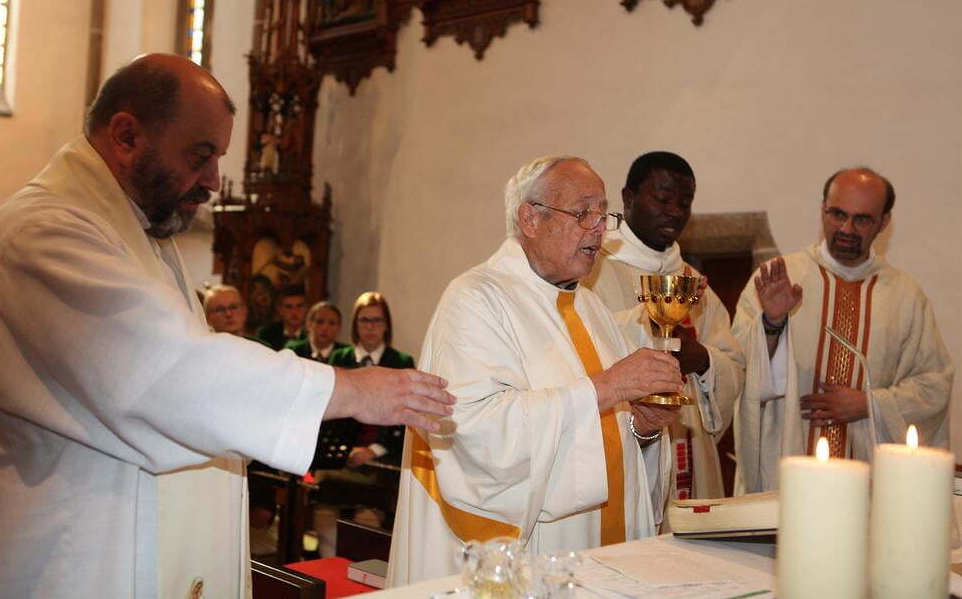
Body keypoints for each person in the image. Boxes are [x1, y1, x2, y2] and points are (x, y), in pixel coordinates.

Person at [0, 53, 454, 598]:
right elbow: (164, 374)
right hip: (69, 571)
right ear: (126, 135)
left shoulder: (137, 235)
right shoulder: (40, 234)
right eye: (200, 156)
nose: (215, 181)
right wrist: (352, 389)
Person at [388, 156, 684, 586]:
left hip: (607, 548)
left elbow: (612, 430)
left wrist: (645, 430)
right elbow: (471, 431)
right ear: (530, 218)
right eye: (583, 213)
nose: (599, 229)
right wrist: (607, 387)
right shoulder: (475, 299)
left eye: (604, 215)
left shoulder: (592, 307)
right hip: (531, 556)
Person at [732, 168, 954, 493]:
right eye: (838, 214)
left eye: (862, 219)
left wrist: (871, 404)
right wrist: (772, 323)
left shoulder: (905, 296)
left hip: (871, 480)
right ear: (823, 209)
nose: (847, 229)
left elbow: (934, 384)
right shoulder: (778, 278)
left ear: (884, 222)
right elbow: (738, 368)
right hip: (788, 473)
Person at [584, 152, 743, 505]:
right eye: (663, 199)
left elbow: (733, 365)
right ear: (628, 198)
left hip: (691, 451)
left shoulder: (691, 281)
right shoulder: (593, 273)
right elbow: (584, 353)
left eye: (684, 203)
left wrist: (703, 360)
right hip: (626, 448)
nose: (674, 212)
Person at [331, 291, 416, 467]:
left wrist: (374, 450)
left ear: (387, 325)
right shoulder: (338, 358)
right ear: (355, 324)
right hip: (338, 452)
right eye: (364, 320)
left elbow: (406, 417)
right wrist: (344, 449)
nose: (370, 327)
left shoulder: (401, 362)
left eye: (377, 320)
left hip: (384, 457)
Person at [256, 284, 309, 349]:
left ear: (306, 308)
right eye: (289, 307)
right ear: (280, 309)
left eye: (299, 306)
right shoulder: (266, 333)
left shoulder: (313, 334)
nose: (294, 312)